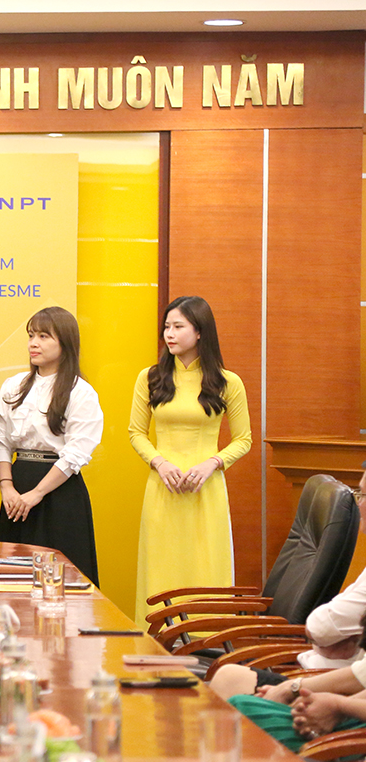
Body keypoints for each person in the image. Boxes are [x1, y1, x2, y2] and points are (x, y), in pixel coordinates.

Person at [129, 295, 251, 618]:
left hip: (206, 490)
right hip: (163, 488)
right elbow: (136, 433)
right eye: (166, 327)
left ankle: (207, 636)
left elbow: (244, 440)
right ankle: (158, 636)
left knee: (206, 565)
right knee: (160, 566)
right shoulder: (150, 378)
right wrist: (159, 462)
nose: (169, 334)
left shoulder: (228, 382)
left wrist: (213, 463)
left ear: (199, 332)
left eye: (178, 327)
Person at [210, 468, 366, 700]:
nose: (359, 504)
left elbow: (320, 627)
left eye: (362, 495)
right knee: (228, 678)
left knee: (228, 683)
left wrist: (294, 688)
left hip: (325, 687)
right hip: (314, 675)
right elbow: (322, 626)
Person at [0, 306, 102, 586]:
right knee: (13, 578)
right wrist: (7, 486)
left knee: (61, 581)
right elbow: (1, 440)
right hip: (17, 491)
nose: (33, 343)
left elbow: (77, 452)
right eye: (31, 335)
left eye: (43, 336)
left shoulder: (80, 391)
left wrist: (37, 493)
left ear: (65, 342)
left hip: (59, 492)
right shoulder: (14, 386)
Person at [225, 638, 366, 752]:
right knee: (232, 682)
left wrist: (339, 705)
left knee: (240, 706)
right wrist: (302, 697)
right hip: (343, 699)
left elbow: (320, 630)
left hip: (355, 729)